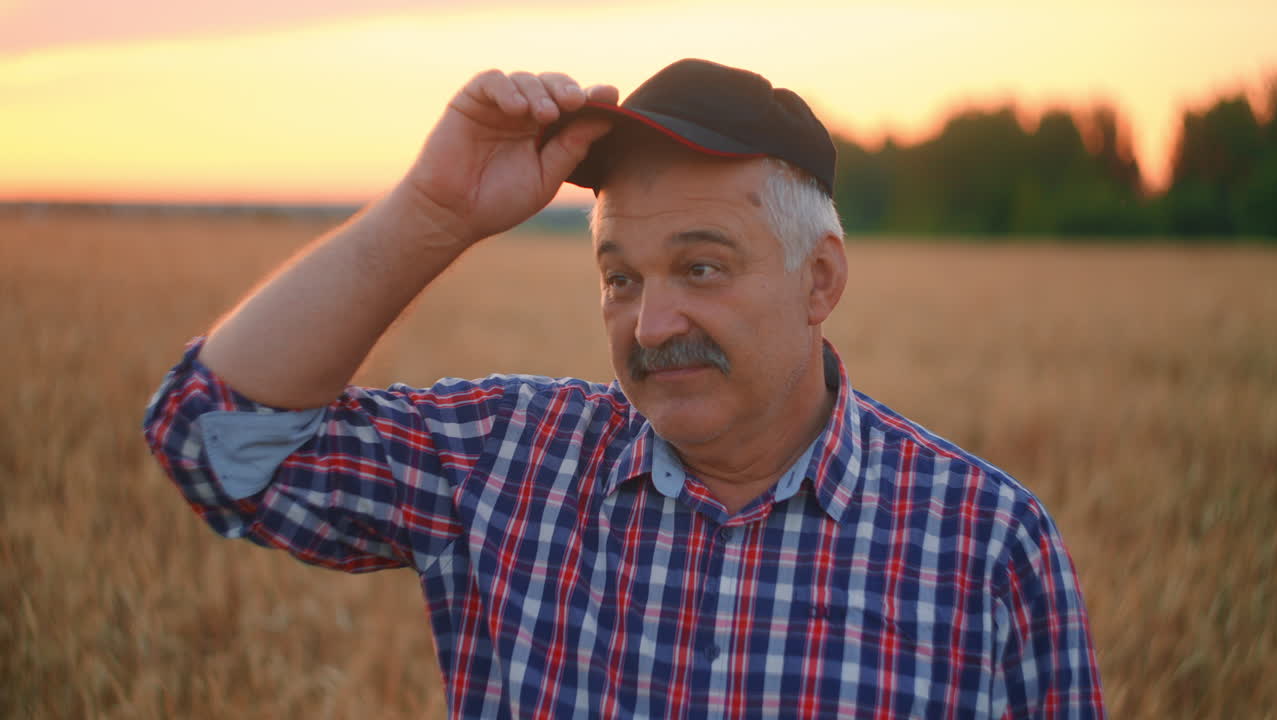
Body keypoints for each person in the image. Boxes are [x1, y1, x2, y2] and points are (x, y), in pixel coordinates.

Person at [143, 59, 1105, 718]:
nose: (649, 328)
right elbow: (216, 440)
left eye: (701, 268)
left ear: (821, 280)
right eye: (620, 277)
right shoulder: (512, 465)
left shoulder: (986, 547)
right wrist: (430, 215)